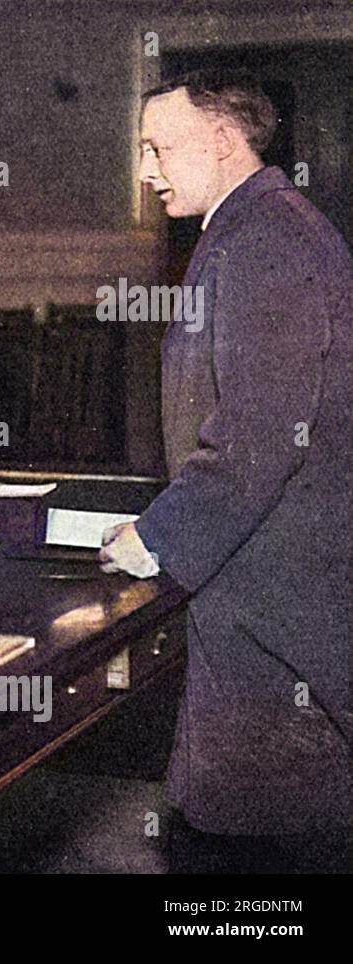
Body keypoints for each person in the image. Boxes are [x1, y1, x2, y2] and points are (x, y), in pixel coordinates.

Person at [100, 70, 352, 863]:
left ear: (221, 140)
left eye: (158, 147)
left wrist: (157, 540)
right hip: (264, 580)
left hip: (276, 601)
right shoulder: (254, 229)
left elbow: (259, 432)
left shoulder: (267, 242)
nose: (146, 170)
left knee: (259, 842)